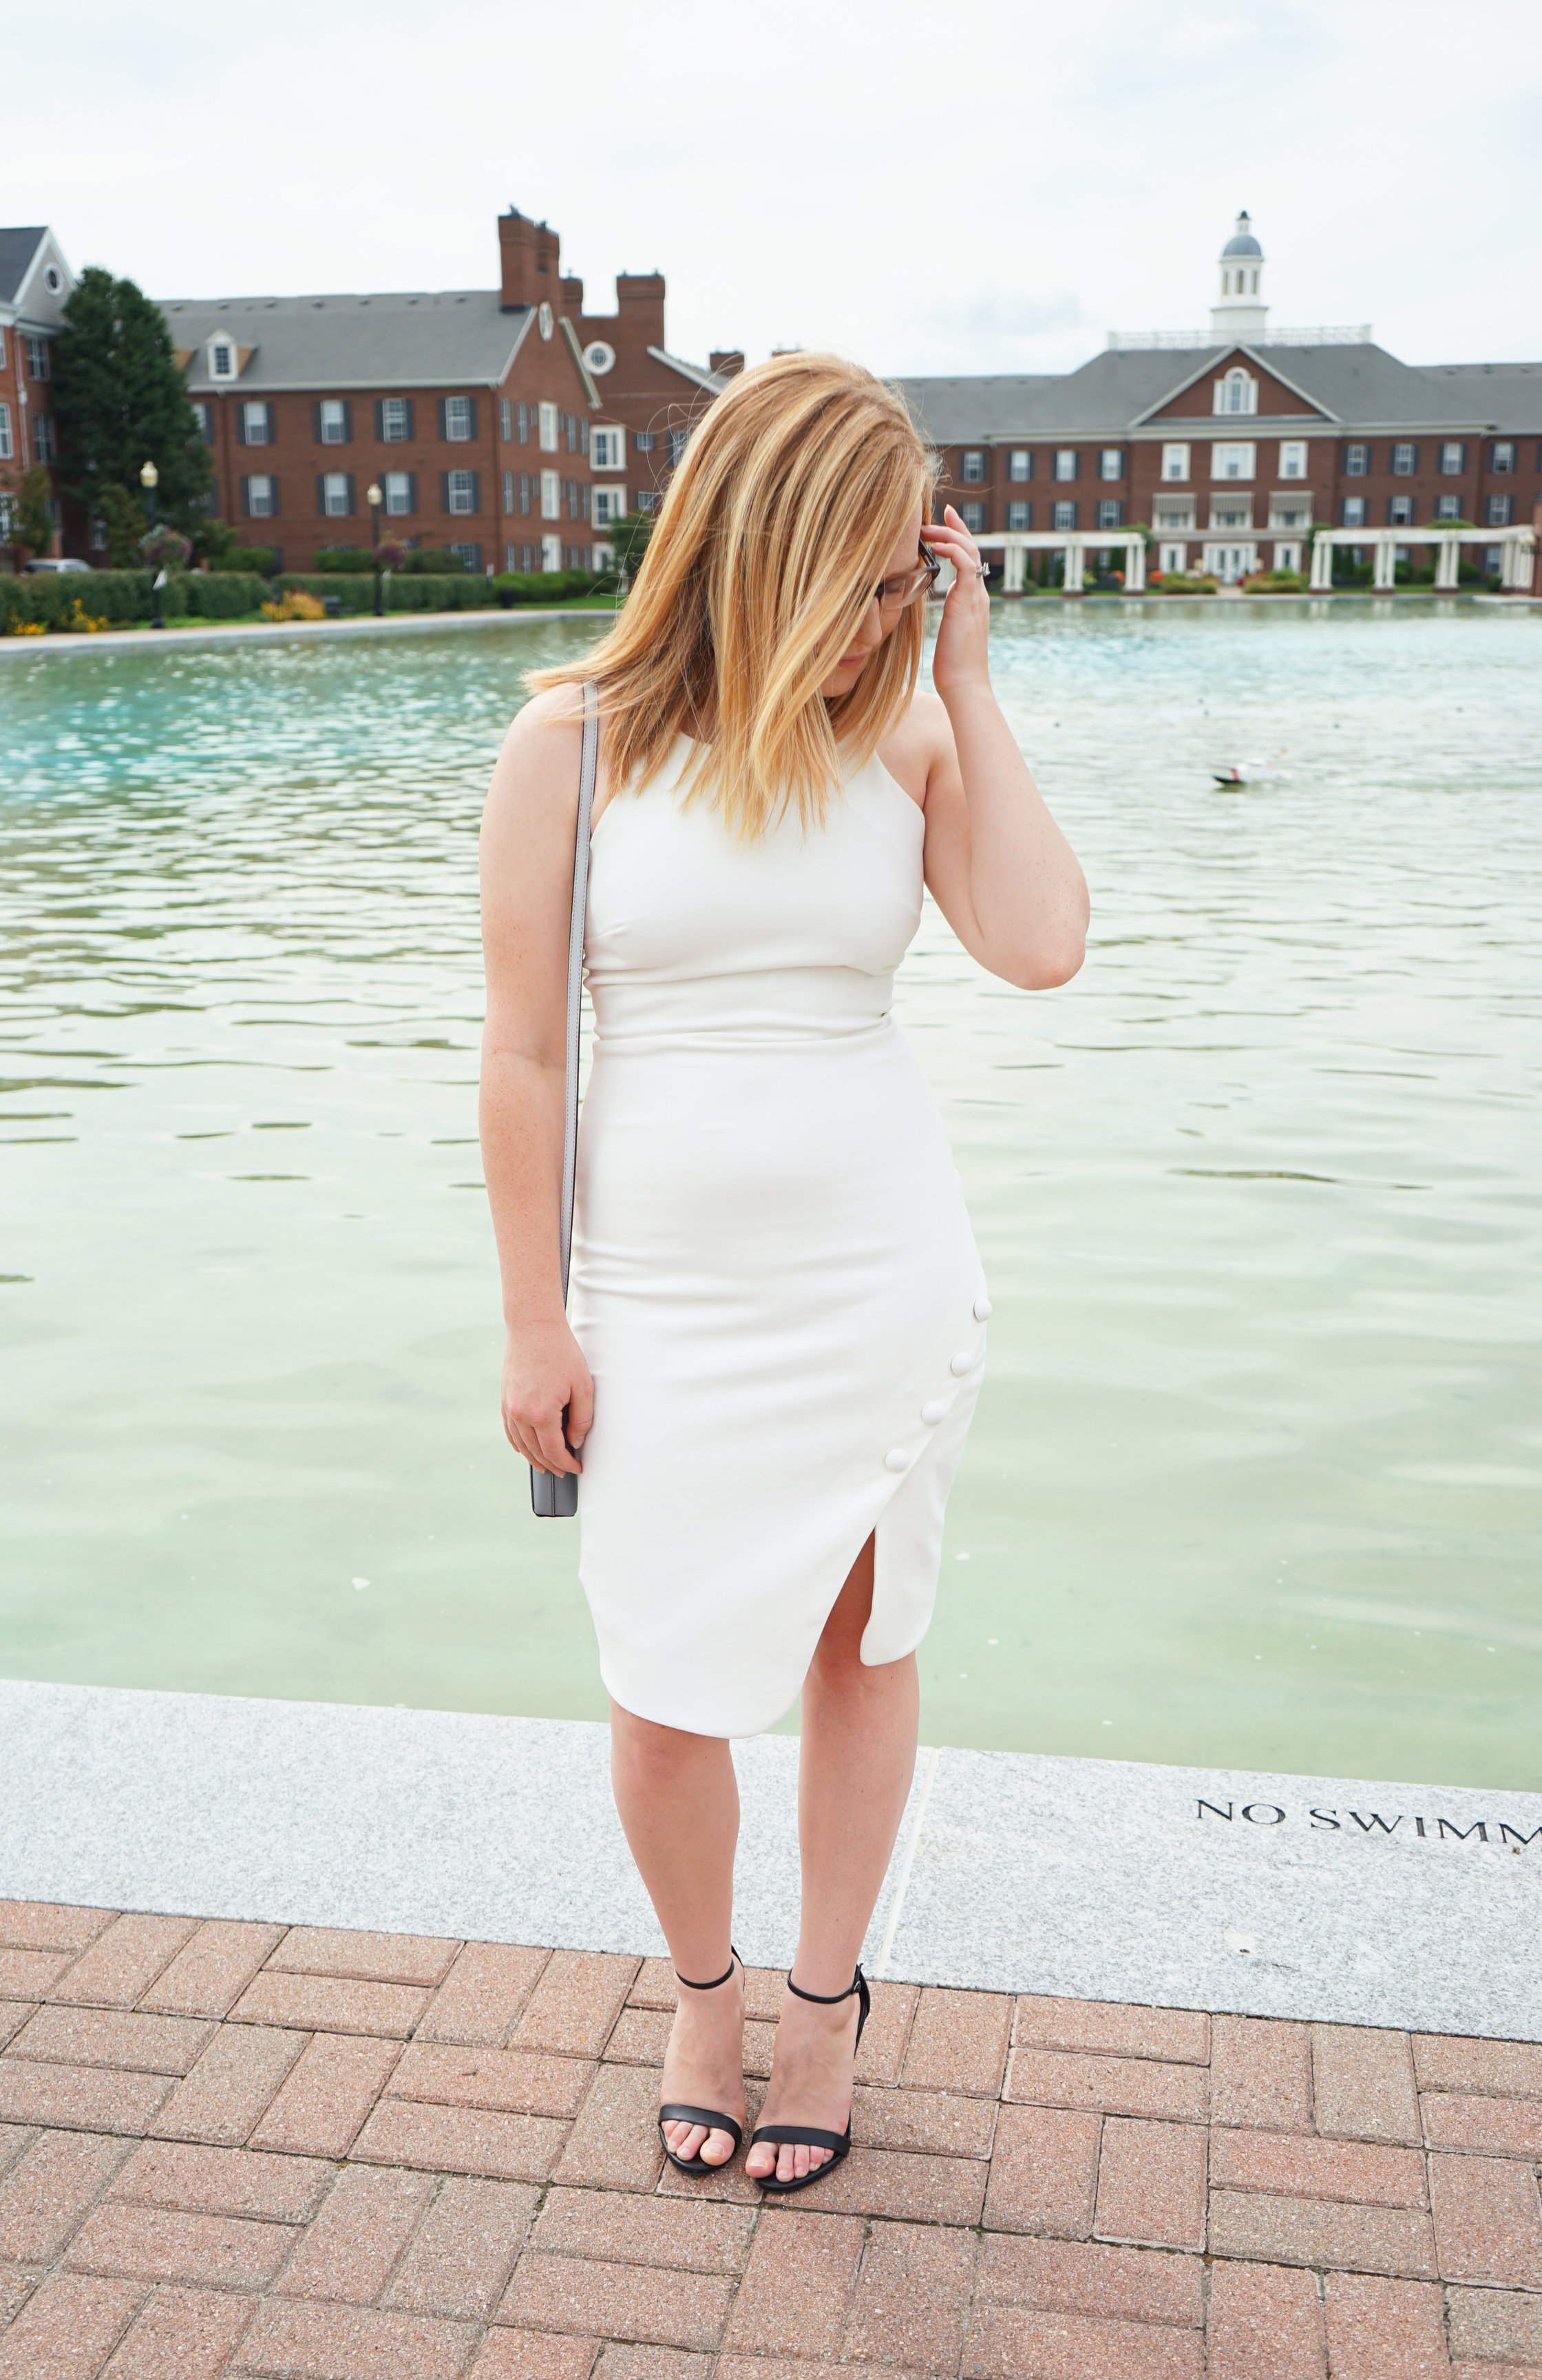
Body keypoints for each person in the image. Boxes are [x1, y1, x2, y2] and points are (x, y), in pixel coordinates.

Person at [478, 353, 1086, 2192]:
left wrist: (967, 681)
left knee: (858, 1644)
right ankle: (701, 1990)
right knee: (662, 1691)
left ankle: (822, 2005)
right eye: (861, 591)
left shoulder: (905, 731)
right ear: (756, 552)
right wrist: (531, 1316)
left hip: (878, 1281)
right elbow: (517, 1055)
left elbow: (1040, 945)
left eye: (909, 585)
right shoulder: (571, 743)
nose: (879, 626)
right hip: (655, 1302)